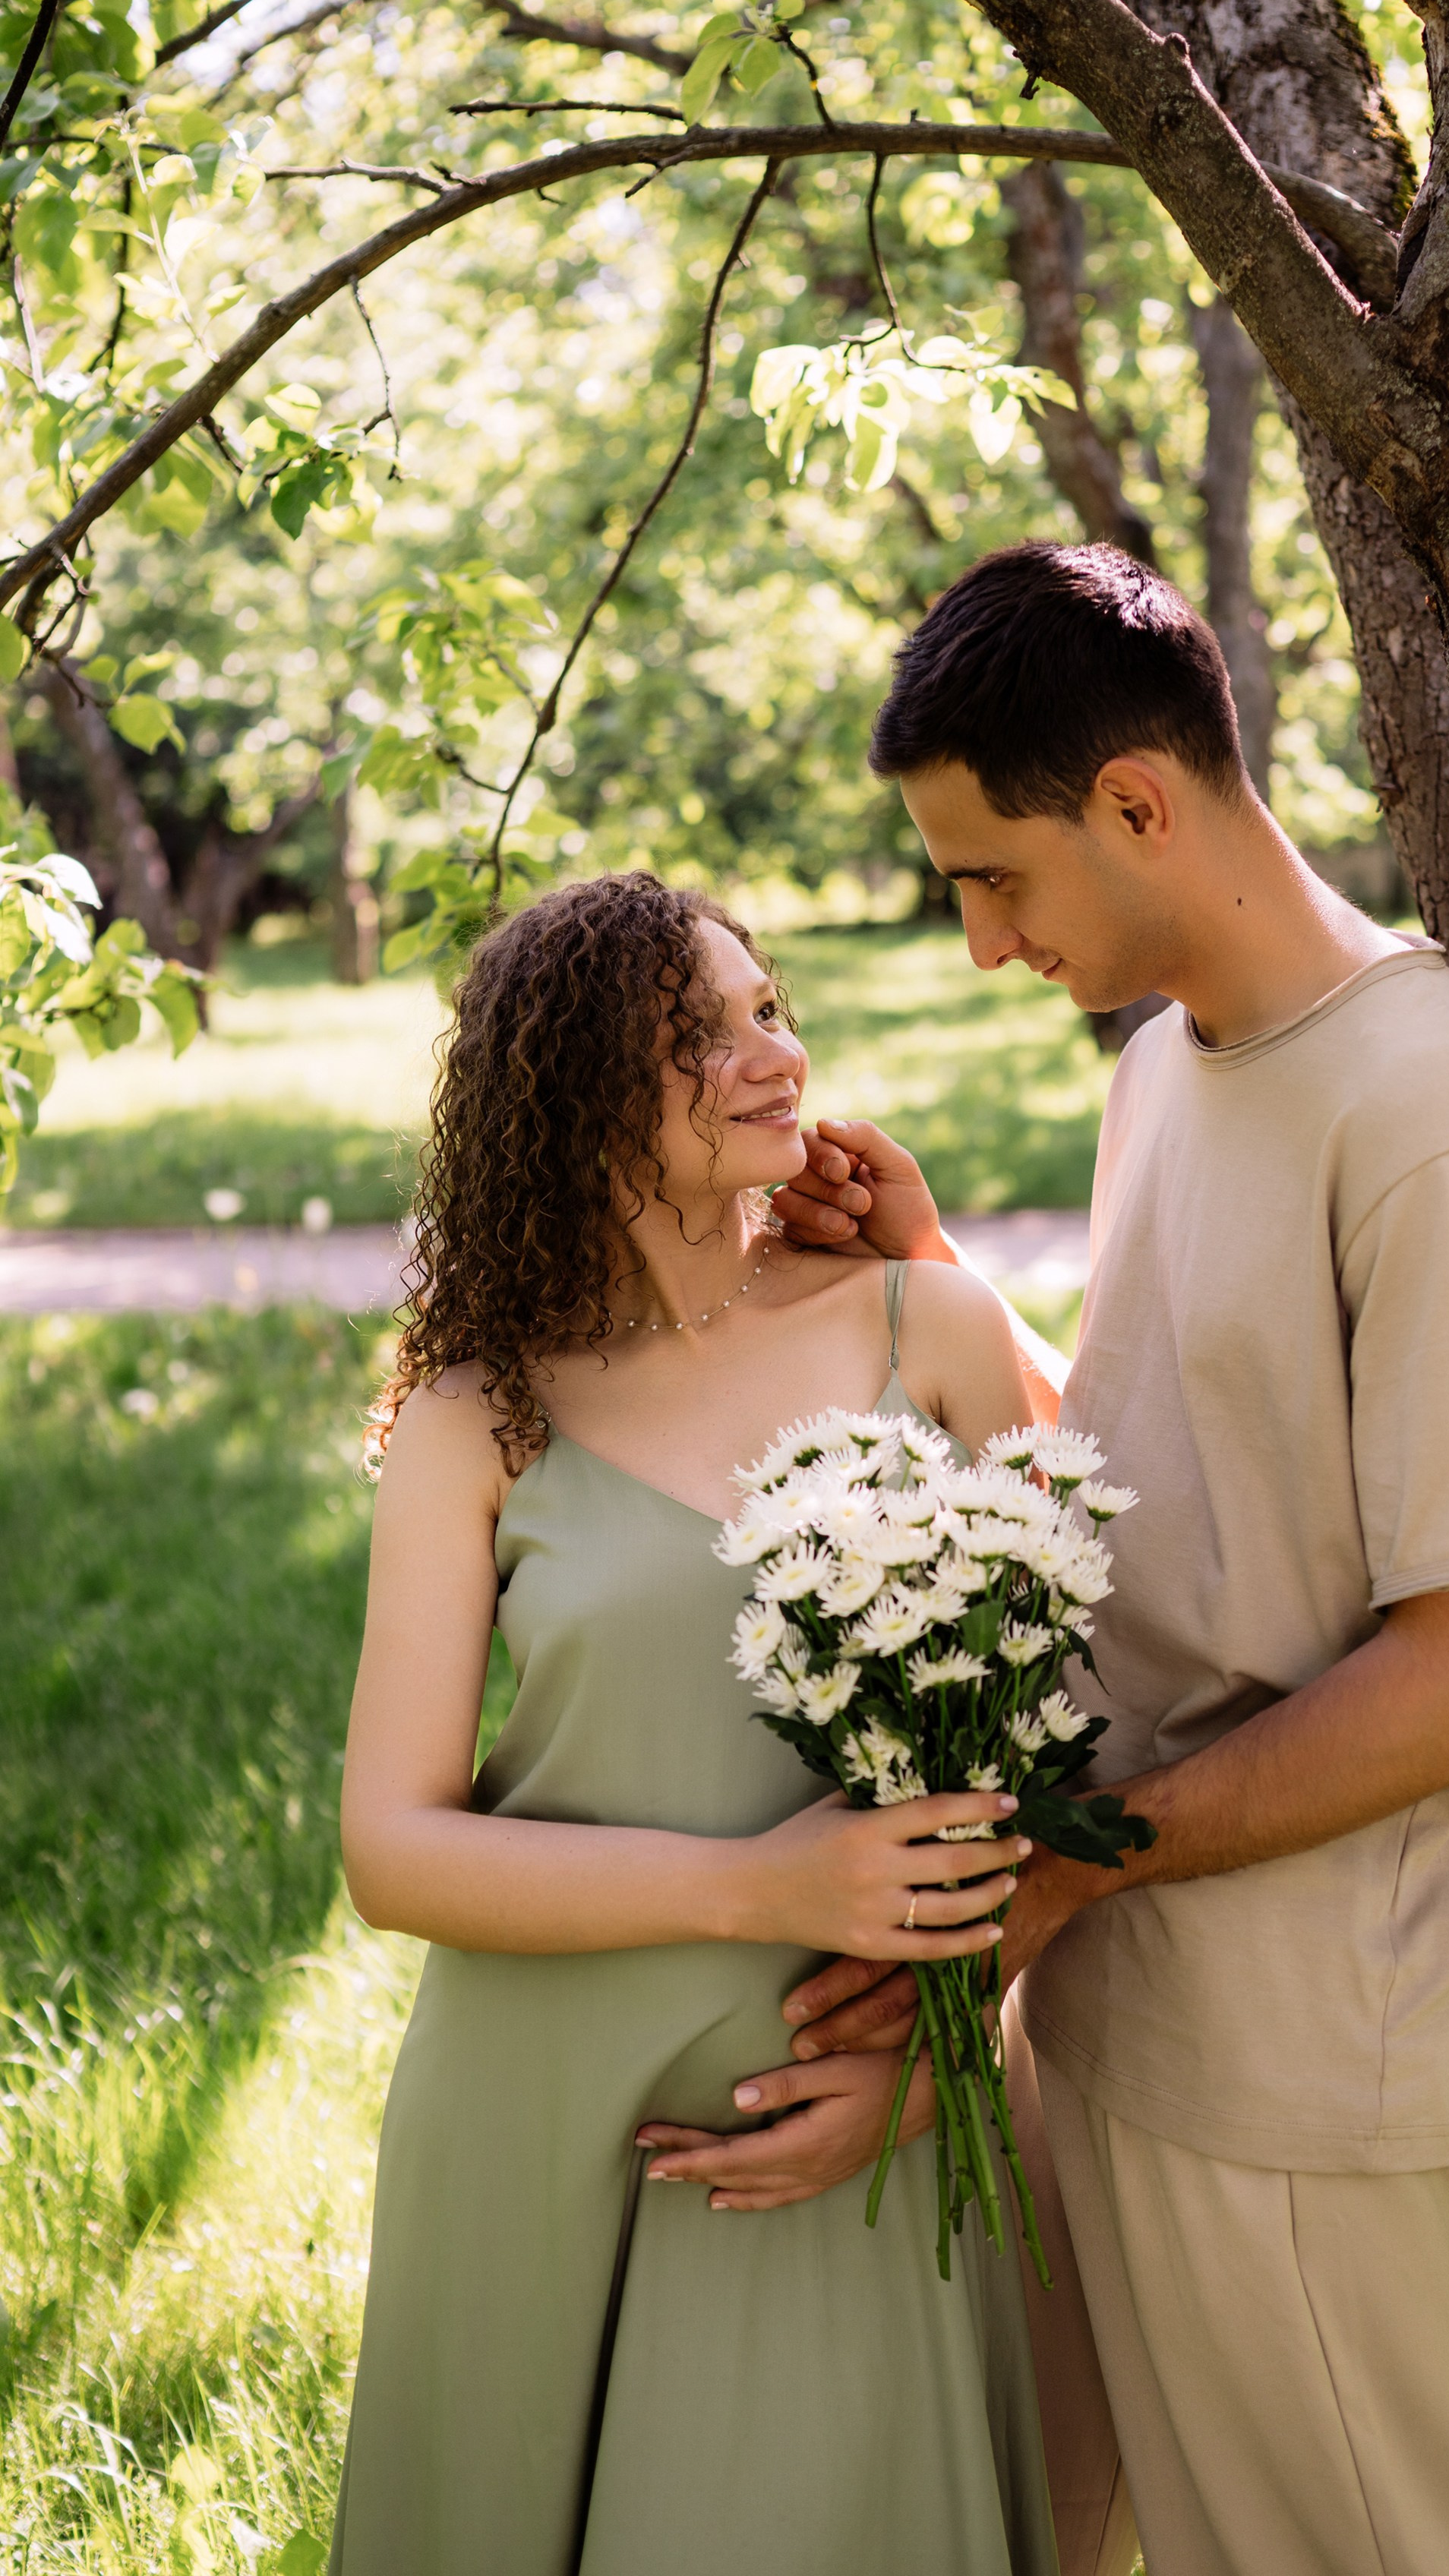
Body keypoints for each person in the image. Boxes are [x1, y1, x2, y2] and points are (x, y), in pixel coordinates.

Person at [763, 543, 1449, 2576]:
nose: (975, 943)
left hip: (1284, 2063)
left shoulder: (1429, 1120)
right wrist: (937, 1279)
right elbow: (1164, 1481)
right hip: (1104, 1984)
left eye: (993, 879)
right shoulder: (1167, 1064)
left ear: (1139, 803)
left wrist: (1072, 1857)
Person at [330, 871, 1059, 2576]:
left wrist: (930, 2029)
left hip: (840, 2078)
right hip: (538, 2098)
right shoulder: (474, 1413)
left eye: (768, 1007)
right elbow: (392, 1845)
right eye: (697, 1034)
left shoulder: (922, 1324)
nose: (770, 1054)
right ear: (574, 1090)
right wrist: (765, 1886)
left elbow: (1110, 1638)